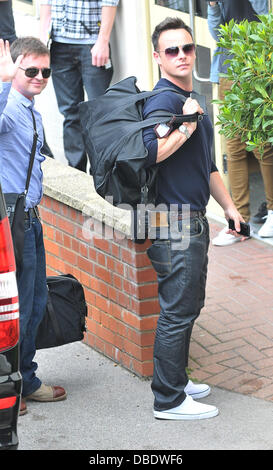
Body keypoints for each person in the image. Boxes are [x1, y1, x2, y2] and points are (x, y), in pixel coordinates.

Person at [142, 16, 244, 420]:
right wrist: (186, 122)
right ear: (158, 57)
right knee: (177, 310)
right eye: (172, 50)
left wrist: (231, 208)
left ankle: (177, 381)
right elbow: (153, 152)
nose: (182, 55)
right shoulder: (163, 100)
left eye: (187, 48)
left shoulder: (193, 95)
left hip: (194, 218)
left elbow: (208, 166)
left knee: (188, 306)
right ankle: (167, 399)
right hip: (173, 223)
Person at [0, 36, 66, 416]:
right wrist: (4, 81)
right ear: (15, 67)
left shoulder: (31, 108)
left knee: (35, 303)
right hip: (12, 222)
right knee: (17, 309)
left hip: (29, 219)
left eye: (46, 71)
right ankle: (11, 387)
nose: (40, 76)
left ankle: (25, 378)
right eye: (31, 71)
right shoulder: (10, 105)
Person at [207, 0, 273, 245]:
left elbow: (266, 18)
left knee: (262, 146)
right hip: (228, 72)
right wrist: (213, 5)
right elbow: (217, 34)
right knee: (233, 148)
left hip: (256, 69)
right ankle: (240, 223)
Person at [39, 0, 119, 172]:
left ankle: (101, 173)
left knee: (97, 114)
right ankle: (76, 172)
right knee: (70, 113)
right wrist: (42, 38)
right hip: (58, 45)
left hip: (91, 44)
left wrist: (103, 41)